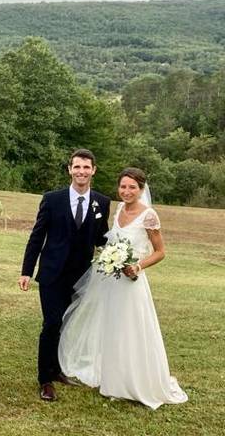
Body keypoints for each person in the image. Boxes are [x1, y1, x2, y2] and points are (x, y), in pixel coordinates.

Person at [58, 167, 188, 409]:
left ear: (141, 189)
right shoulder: (118, 209)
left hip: (133, 284)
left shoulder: (149, 215)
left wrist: (137, 266)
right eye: (123, 186)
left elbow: (160, 252)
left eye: (132, 187)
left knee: (131, 330)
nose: (126, 191)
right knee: (113, 328)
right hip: (112, 281)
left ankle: (134, 382)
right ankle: (113, 380)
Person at [19, 149, 110, 401]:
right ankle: (45, 380)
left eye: (86, 167)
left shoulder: (101, 202)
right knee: (51, 324)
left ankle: (58, 369)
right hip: (52, 274)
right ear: (70, 169)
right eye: (77, 167)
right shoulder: (52, 199)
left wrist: (120, 254)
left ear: (94, 170)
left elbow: (102, 237)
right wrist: (27, 271)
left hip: (81, 277)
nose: (81, 172)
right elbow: (37, 237)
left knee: (68, 324)